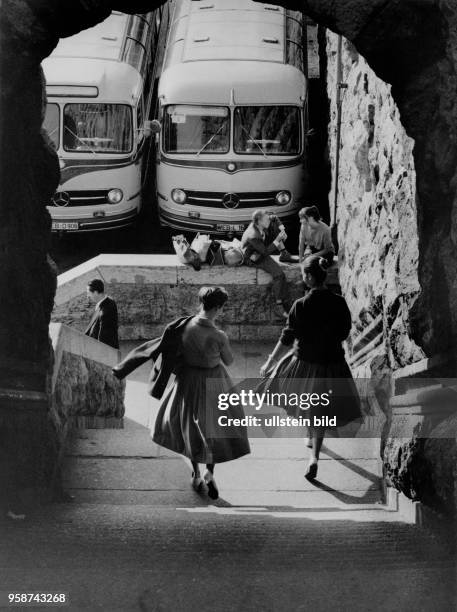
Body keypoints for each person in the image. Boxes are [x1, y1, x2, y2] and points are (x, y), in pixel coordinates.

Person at [259, 256, 361, 482]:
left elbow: (287, 336)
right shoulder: (340, 303)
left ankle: (311, 448)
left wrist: (270, 361)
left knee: (308, 404)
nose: (302, 278)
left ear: (310, 277)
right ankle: (314, 455)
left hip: (305, 364)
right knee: (321, 412)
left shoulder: (300, 305)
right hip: (332, 363)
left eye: (304, 274)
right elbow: (344, 333)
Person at [151, 287, 250, 500]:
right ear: (217, 307)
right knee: (213, 428)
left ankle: (195, 472)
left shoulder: (185, 325)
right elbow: (229, 361)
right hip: (214, 381)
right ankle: (209, 472)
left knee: (189, 427)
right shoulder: (218, 335)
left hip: (188, 380)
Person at [241, 209, 291, 319]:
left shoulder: (260, 223)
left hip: (260, 251)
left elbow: (274, 217)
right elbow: (265, 252)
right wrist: (278, 239)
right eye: (266, 219)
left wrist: (282, 229)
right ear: (259, 221)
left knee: (273, 227)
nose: (268, 219)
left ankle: (284, 253)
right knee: (279, 274)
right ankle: (279, 306)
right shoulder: (253, 235)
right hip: (254, 257)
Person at [85, 279, 119, 349]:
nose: (87, 296)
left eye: (89, 293)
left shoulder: (106, 310)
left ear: (96, 292)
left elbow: (103, 340)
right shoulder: (106, 302)